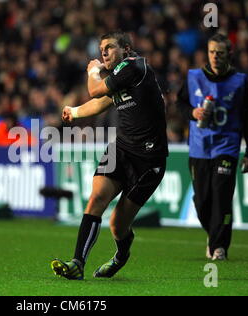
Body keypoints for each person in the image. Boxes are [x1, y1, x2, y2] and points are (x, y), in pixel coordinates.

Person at [51, 31, 168, 280]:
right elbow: (102, 101)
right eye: (101, 48)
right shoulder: (121, 75)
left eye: (109, 47)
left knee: (117, 225)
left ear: (125, 49)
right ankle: (77, 263)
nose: (103, 52)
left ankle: (121, 256)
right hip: (122, 149)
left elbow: (94, 90)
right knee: (96, 199)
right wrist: (75, 112)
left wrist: (93, 70)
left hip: (148, 159)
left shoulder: (133, 66)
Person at [176, 33, 248, 261]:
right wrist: (192, 112)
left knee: (222, 198)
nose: (215, 57)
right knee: (202, 202)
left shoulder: (240, 81)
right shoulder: (193, 77)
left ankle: (219, 247)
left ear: (229, 55)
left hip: (227, 147)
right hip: (199, 148)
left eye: (220, 53)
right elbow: (179, 103)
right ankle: (213, 236)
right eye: (212, 52)